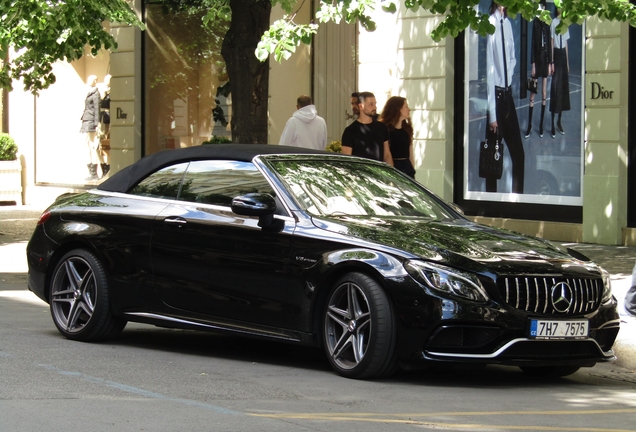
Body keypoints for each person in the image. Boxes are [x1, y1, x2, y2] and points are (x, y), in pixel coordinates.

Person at [485, 1, 524, 193]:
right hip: (497, 96)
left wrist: (508, 70)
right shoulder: (490, 23)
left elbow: (513, 57)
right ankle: (489, 200)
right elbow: (490, 69)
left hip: (507, 95)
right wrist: (492, 114)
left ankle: (519, 199)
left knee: (518, 153)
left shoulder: (507, 24)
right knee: (492, 155)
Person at [341, 92, 394, 165]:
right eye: (371, 104)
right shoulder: (350, 131)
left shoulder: (382, 127)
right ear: (361, 106)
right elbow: (346, 160)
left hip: (378, 173)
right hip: (360, 174)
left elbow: (387, 154)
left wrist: (390, 173)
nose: (374, 107)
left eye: (375, 104)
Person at [525, 0, 551, 139]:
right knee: (533, 93)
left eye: (543, 6)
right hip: (537, 60)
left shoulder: (547, 23)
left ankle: (540, 125)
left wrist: (550, 63)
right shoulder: (535, 22)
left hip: (545, 60)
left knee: (544, 93)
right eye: (540, 7)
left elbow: (549, 46)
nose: (541, 9)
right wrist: (533, 64)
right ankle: (529, 125)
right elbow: (533, 44)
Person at [380, 96, 415, 178]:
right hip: (393, 168)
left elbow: (410, 154)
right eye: (406, 107)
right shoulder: (385, 129)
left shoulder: (407, 129)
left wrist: (411, 168)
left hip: (407, 168)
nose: (409, 110)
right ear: (398, 108)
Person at [549, 7, 570, 138]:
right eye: (558, 8)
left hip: (563, 55)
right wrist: (551, 62)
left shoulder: (565, 23)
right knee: (555, 88)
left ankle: (559, 121)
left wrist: (567, 62)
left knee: (562, 89)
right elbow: (552, 41)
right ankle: (552, 122)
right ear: (556, 10)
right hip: (556, 55)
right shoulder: (553, 23)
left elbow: (566, 43)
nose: (560, 10)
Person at [80, 75, 102, 181]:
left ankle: (94, 172)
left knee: (93, 146)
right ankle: (91, 171)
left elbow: (97, 109)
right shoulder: (89, 92)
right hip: (86, 119)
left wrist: (97, 123)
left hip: (91, 121)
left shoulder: (96, 93)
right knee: (87, 145)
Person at [98, 74, 111, 177]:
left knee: (108, 143)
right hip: (103, 118)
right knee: (100, 144)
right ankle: (104, 167)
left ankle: (109, 166)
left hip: (109, 118)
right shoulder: (103, 92)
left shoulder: (112, 92)